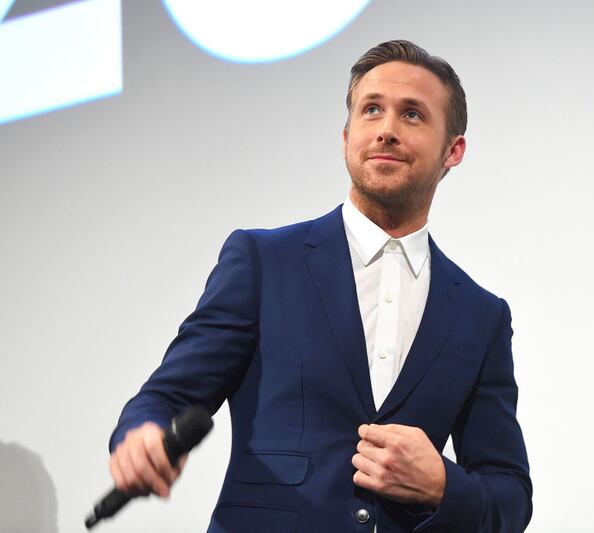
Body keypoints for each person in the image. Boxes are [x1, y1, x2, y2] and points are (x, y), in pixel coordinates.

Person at [109, 40, 532, 532]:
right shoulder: (263, 262)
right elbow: (172, 394)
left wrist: (442, 482)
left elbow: (510, 496)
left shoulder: (481, 316)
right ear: (347, 134)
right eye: (372, 110)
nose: (387, 131)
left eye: (412, 115)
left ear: (452, 151)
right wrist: (143, 434)